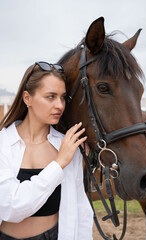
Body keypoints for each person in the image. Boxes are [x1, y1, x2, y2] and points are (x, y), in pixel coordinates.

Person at [0, 61, 93, 240]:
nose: (59, 105)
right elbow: (11, 207)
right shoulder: (3, 143)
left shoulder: (67, 146)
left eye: (62, 97)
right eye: (50, 97)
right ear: (27, 98)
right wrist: (58, 164)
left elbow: (80, 209)